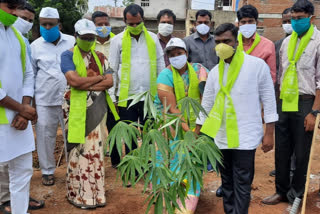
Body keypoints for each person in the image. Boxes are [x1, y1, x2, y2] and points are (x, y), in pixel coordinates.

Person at [195, 23, 278, 214]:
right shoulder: (215, 72)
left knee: (242, 180)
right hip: (222, 135)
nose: (222, 46)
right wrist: (197, 133)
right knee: (226, 180)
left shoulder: (257, 66)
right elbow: (206, 104)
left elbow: (269, 100)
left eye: (227, 41)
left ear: (237, 42)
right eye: (218, 42)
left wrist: (269, 134)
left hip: (246, 136)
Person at [262, 0, 320, 205]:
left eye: (300, 18)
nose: (295, 22)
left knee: (302, 151)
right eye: (293, 18)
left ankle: (297, 194)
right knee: (283, 148)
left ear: (311, 18)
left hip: (306, 102)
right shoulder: (287, 42)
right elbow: (281, 74)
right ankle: (281, 190)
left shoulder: (318, 41)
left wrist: (314, 112)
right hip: (285, 100)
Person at [60, 18, 115, 209]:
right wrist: (98, 79)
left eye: (91, 37)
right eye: (85, 37)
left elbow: (110, 82)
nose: (88, 40)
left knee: (96, 150)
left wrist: (88, 81)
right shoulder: (67, 56)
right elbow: (73, 81)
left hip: (97, 107)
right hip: (74, 108)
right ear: (76, 37)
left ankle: (96, 195)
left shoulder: (100, 57)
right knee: (79, 150)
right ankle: (78, 194)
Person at [154, 37, 209, 213]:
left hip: (196, 123)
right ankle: (168, 201)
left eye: (179, 53)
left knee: (191, 163)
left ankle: (186, 205)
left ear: (186, 53)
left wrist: (198, 128)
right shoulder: (165, 75)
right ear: (168, 57)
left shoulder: (200, 71)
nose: (176, 57)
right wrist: (189, 132)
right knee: (169, 160)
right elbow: (172, 109)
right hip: (169, 124)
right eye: (172, 55)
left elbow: (206, 99)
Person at [0, 2, 45, 213]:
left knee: (23, 173)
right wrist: (21, 108)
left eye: (15, 6)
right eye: (9, 6)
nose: (14, 12)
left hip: (18, 120)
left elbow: (28, 74)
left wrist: (24, 109)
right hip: (5, 118)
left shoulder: (16, 36)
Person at [109, 4, 165, 167]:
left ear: (143, 20)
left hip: (150, 96)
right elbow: (112, 69)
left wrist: (161, 91)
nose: (134, 26)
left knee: (149, 131)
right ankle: (131, 165)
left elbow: (160, 65)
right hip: (127, 96)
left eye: (137, 23)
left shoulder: (153, 38)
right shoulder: (116, 40)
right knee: (130, 133)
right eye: (130, 23)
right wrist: (113, 96)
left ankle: (147, 163)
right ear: (125, 22)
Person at [31, 7, 75, 186]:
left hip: (69, 99)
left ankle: (73, 168)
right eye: (43, 25)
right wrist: (32, 103)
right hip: (44, 99)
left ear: (59, 25)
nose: (47, 28)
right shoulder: (35, 46)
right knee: (45, 136)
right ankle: (47, 171)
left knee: (71, 135)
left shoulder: (72, 41)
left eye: (51, 24)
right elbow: (31, 75)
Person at [269, 7, 295, 178]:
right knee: (282, 135)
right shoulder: (278, 45)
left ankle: (294, 168)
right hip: (282, 97)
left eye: (290, 20)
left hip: (301, 98)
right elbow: (276, 72)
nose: (288, 24)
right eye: (284, 21)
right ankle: (282, 169)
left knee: (298, 135)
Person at [91, 10, 118, 164]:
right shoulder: (88, 43)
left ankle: (115, 159)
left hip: (115, 92)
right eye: (99, 25)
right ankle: (98, 159)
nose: (103, 27)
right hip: (94, 93)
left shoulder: (117, 41)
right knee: (97, 127)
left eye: (106, 24)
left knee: (114, 125)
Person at [237, 5, 276, 83]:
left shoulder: (268, 45)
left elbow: (271, 75)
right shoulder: (233, 43)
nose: (247, 25)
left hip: (258, 91)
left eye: (250, 21)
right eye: (243, 22)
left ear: (257, 22)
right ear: (238, 24)